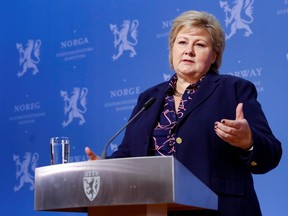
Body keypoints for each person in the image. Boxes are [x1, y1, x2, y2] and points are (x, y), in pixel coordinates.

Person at [85, 10, 282, 216]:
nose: (189, 51)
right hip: (155, 208)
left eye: (200, 44)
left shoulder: (234, 89)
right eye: (182, 43)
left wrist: (248, 141)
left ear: (214, 55)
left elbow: (271, 154)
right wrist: (105, 170)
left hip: (219, 208)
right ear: (171, 50)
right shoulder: (148, 98)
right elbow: (128, 153)